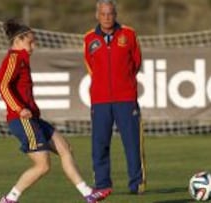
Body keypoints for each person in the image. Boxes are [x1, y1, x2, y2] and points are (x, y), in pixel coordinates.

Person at [0, 19, 111, 203]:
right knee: (43, 166)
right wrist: (18, 109)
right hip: (22, 120)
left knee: (65, 148)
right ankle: (9, 199)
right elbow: (3, 86)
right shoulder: (14, 58)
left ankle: (87, 193)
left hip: (33, 119)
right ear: (18, 41)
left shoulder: (20, 60)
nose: (34, 46)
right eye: (31, 42)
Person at [83, 0, 146, 195]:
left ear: (115, 14)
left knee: (132, 143)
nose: (107, 17)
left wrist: (124, 82)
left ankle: (137, 184)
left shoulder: (129, 34)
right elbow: (90, 66)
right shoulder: (89, 38)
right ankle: (102, 185)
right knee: (100, 144)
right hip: (100, 101)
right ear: (97, 15)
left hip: (126, 99)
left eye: (110, 13)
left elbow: (136, 62)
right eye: (103, 14)